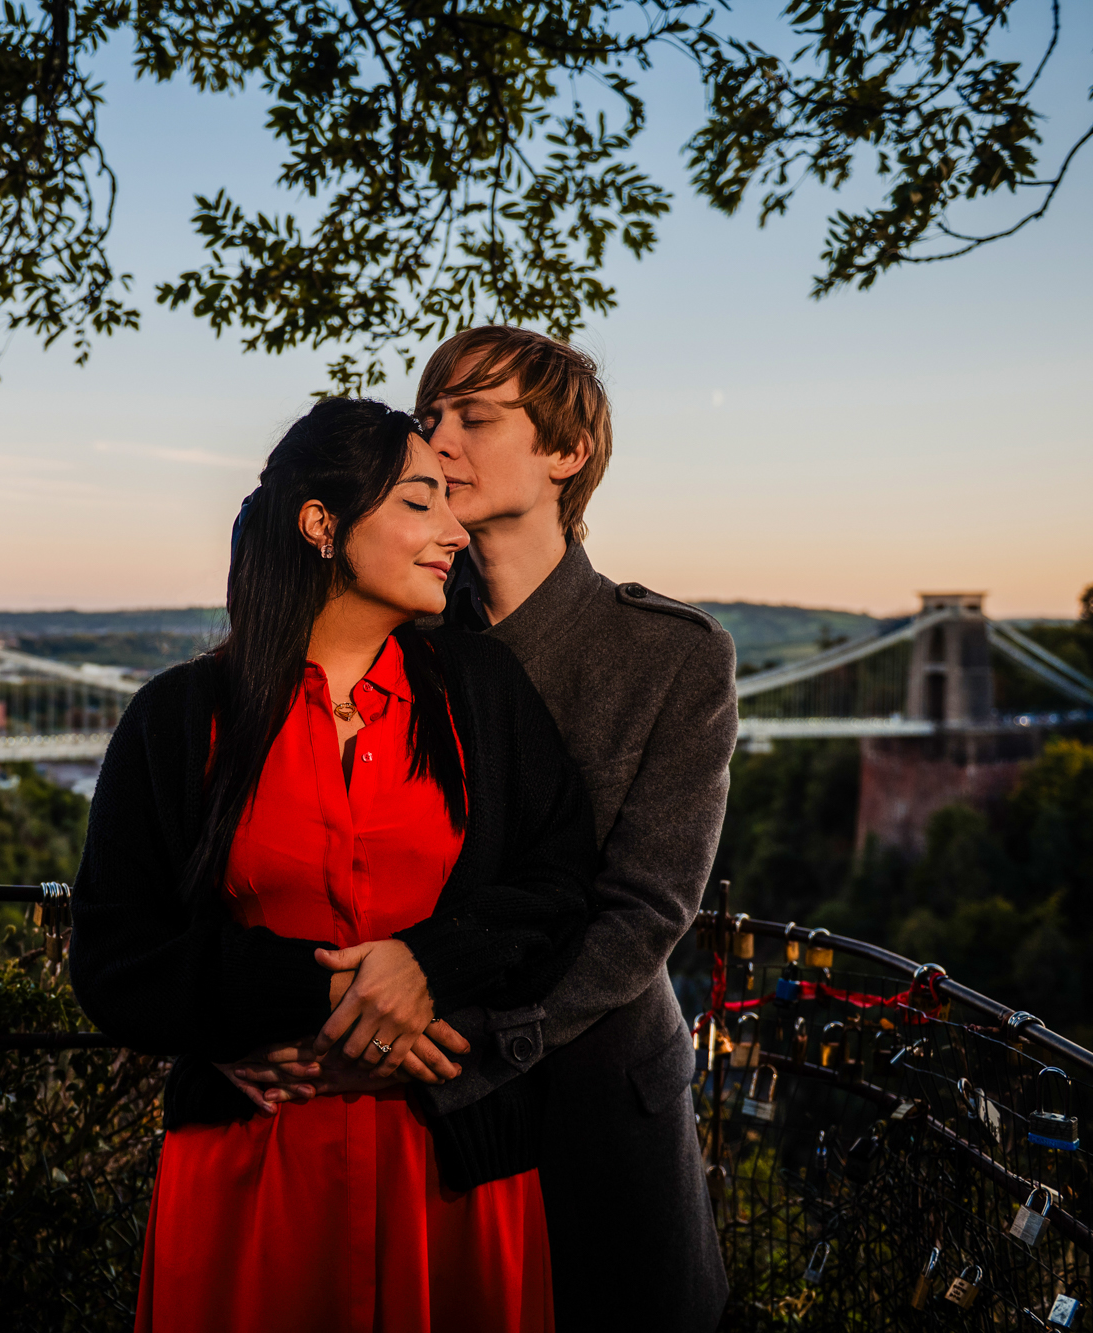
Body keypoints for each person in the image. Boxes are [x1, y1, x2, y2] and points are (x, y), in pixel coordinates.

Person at [230, 328, 738, 1331]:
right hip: (391, 1096)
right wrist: (228, 1024)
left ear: (566, 453)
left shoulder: (668, 655)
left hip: (581, 1086)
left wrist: (465, 1035)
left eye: (474, 415)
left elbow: (643, 913)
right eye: (430, 418)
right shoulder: (381, 626)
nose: (439, 438)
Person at [68, 397, 600, 1333]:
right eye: (420, 502)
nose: (453, 529)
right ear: (323, 524)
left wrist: (429, 966)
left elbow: (560, 888)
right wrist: (320, 995)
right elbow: (115, 959)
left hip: (453, 1174)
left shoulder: (481, 691)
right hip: (254, 1176)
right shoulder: (179, 717)